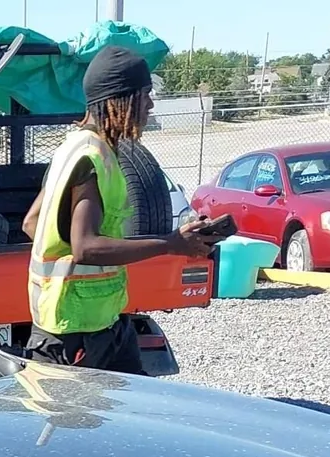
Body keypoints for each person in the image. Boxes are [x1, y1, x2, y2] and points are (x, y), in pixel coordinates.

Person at [22, 45, 215, 374]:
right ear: (120, 99)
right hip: (75, 332)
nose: (150, 104)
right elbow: (85, 248)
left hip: (103, 323)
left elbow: (32, 222)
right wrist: (171, 244)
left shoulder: (76, 147)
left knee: (133, 403)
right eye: (145, 94)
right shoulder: (91, 158)